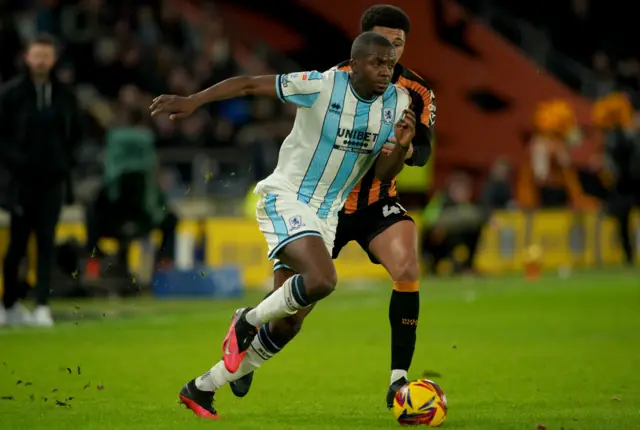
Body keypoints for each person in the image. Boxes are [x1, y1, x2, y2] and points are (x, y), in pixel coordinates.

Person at [150, 32, 416, 419]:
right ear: (354, 64)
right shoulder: (321, 85)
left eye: (390, 65)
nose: (385, 72)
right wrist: (195, 100)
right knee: (323, 280)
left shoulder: (398, 103)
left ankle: (202, 387)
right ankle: (246, 319)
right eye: (377, 63)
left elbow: (382, 171)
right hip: (287, 196)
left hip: (327, 215)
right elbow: (249, 82)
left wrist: (404, 147)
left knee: (289, 323)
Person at [230, 5, 436, 408]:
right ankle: (246, 360)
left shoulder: (416, 92)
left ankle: (399, 380)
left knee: (407, 267)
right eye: (384, 42)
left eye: (399, 43)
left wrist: (405, 144)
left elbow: (422, 153)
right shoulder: (333, 81)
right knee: (291, 317)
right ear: (363, 46)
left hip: (376, 202)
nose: (392, 52)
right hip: (321, 207)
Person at [0, 34, 83, 327]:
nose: (41, 61)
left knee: (46, 243)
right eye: (36, 55)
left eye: (46, 55)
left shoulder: (64, 95)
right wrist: (15, 163)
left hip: (52, 183)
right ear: (27, 57)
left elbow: (77, 134)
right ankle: (8, 304)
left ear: (54, 59)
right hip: (20, 183)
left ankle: (41, 306)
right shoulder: (10, 94)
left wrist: (64, 163)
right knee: (16, 247)